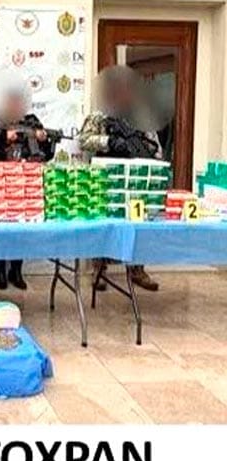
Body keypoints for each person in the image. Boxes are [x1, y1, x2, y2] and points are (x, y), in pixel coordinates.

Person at [80, 65, 161, 292]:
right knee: (104, 222)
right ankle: (98, 269)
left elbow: (155, 146)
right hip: (108, 177)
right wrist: (109, 142)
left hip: (135, 178)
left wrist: (151, 155)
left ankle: (137, 268)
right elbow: (84, 140)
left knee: (138, 222)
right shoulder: (100, 115)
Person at [0, 73, 55, 290]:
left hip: (25, 184)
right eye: (11, 101)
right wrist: (4, 138)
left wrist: (45, 140)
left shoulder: (31, 122)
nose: (14, 105)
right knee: (0, 229)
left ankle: (16, 270)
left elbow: (46, 155)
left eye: (18, 101)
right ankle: (0, 270)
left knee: (21, 230)